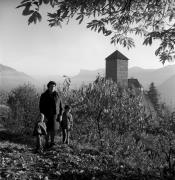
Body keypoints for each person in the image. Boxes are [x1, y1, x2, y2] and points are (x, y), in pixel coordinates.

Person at [39, 81, 63, 148]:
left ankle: (52, 142)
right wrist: (42, 115)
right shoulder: (44, 95)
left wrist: (60, 115)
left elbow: (61, 106)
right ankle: (46, 143)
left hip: (55, 116)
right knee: (46, 129)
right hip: (46, 115)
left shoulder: (58, 95)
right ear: (48, 87)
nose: (52, 88)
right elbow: (41, 106)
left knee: (53, 130)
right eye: (51, 86)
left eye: (54, 86)